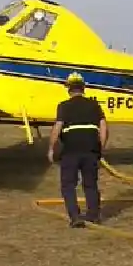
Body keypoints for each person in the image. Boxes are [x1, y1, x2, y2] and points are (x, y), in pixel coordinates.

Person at [48, 72, 108, 227]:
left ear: (69, 89)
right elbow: (103, 127)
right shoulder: (94, 105)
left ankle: (75, 217)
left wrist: (51, 148)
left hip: (71, 150)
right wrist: (101, 147)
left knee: (68, 185)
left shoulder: (64, 106)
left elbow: (57, 127)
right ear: (83, 88)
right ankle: (94, 215)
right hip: (91, 150)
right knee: (90, 184)